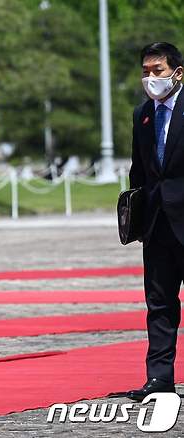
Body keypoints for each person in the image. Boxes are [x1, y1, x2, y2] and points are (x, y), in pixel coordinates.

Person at [126, 42, 184, 401]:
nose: (151, 78)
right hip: (157, 224)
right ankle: (160, 378)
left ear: (177, 72)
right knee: (159, 304)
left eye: (158, 70)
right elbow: (139, 170)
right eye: (145, 71)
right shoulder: (142, 114)